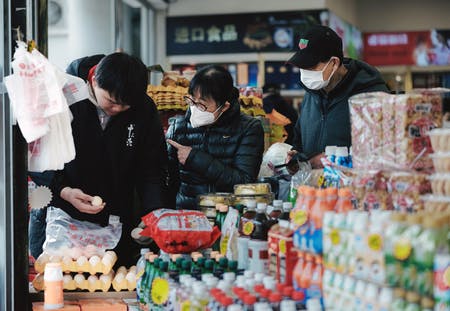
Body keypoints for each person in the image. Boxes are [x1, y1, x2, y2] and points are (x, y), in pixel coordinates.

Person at [50, 52, 169, 266]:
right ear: (93, 81)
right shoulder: (64, 96)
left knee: (113, 282)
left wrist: (153, 213)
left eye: (125, 106)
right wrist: (62, 190)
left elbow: (151, 167)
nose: (117, 110)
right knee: (61, 281)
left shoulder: (143, 108)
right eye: (112, 102)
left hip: (116, 218)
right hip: (62, 216)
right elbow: (37, 156)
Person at [286, 25, 389, 169]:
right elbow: (299, 139)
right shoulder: (311, 94)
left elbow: (385, 151)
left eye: (310, 66)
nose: (305, 72)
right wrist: (296, 155)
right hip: (314, 188)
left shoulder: (371, 96)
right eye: (302, 67)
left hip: (353, 186)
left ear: (334, 62)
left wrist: (333, 160)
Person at [166, 65, 265, 209]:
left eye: (202, 105)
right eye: (192, 100)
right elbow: (169, 180)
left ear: (224, 106)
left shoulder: (248, 128)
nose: (195, 108)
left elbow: (245, 182)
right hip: (185, 215)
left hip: (225, 216)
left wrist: (195, 158)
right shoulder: (178, 127)